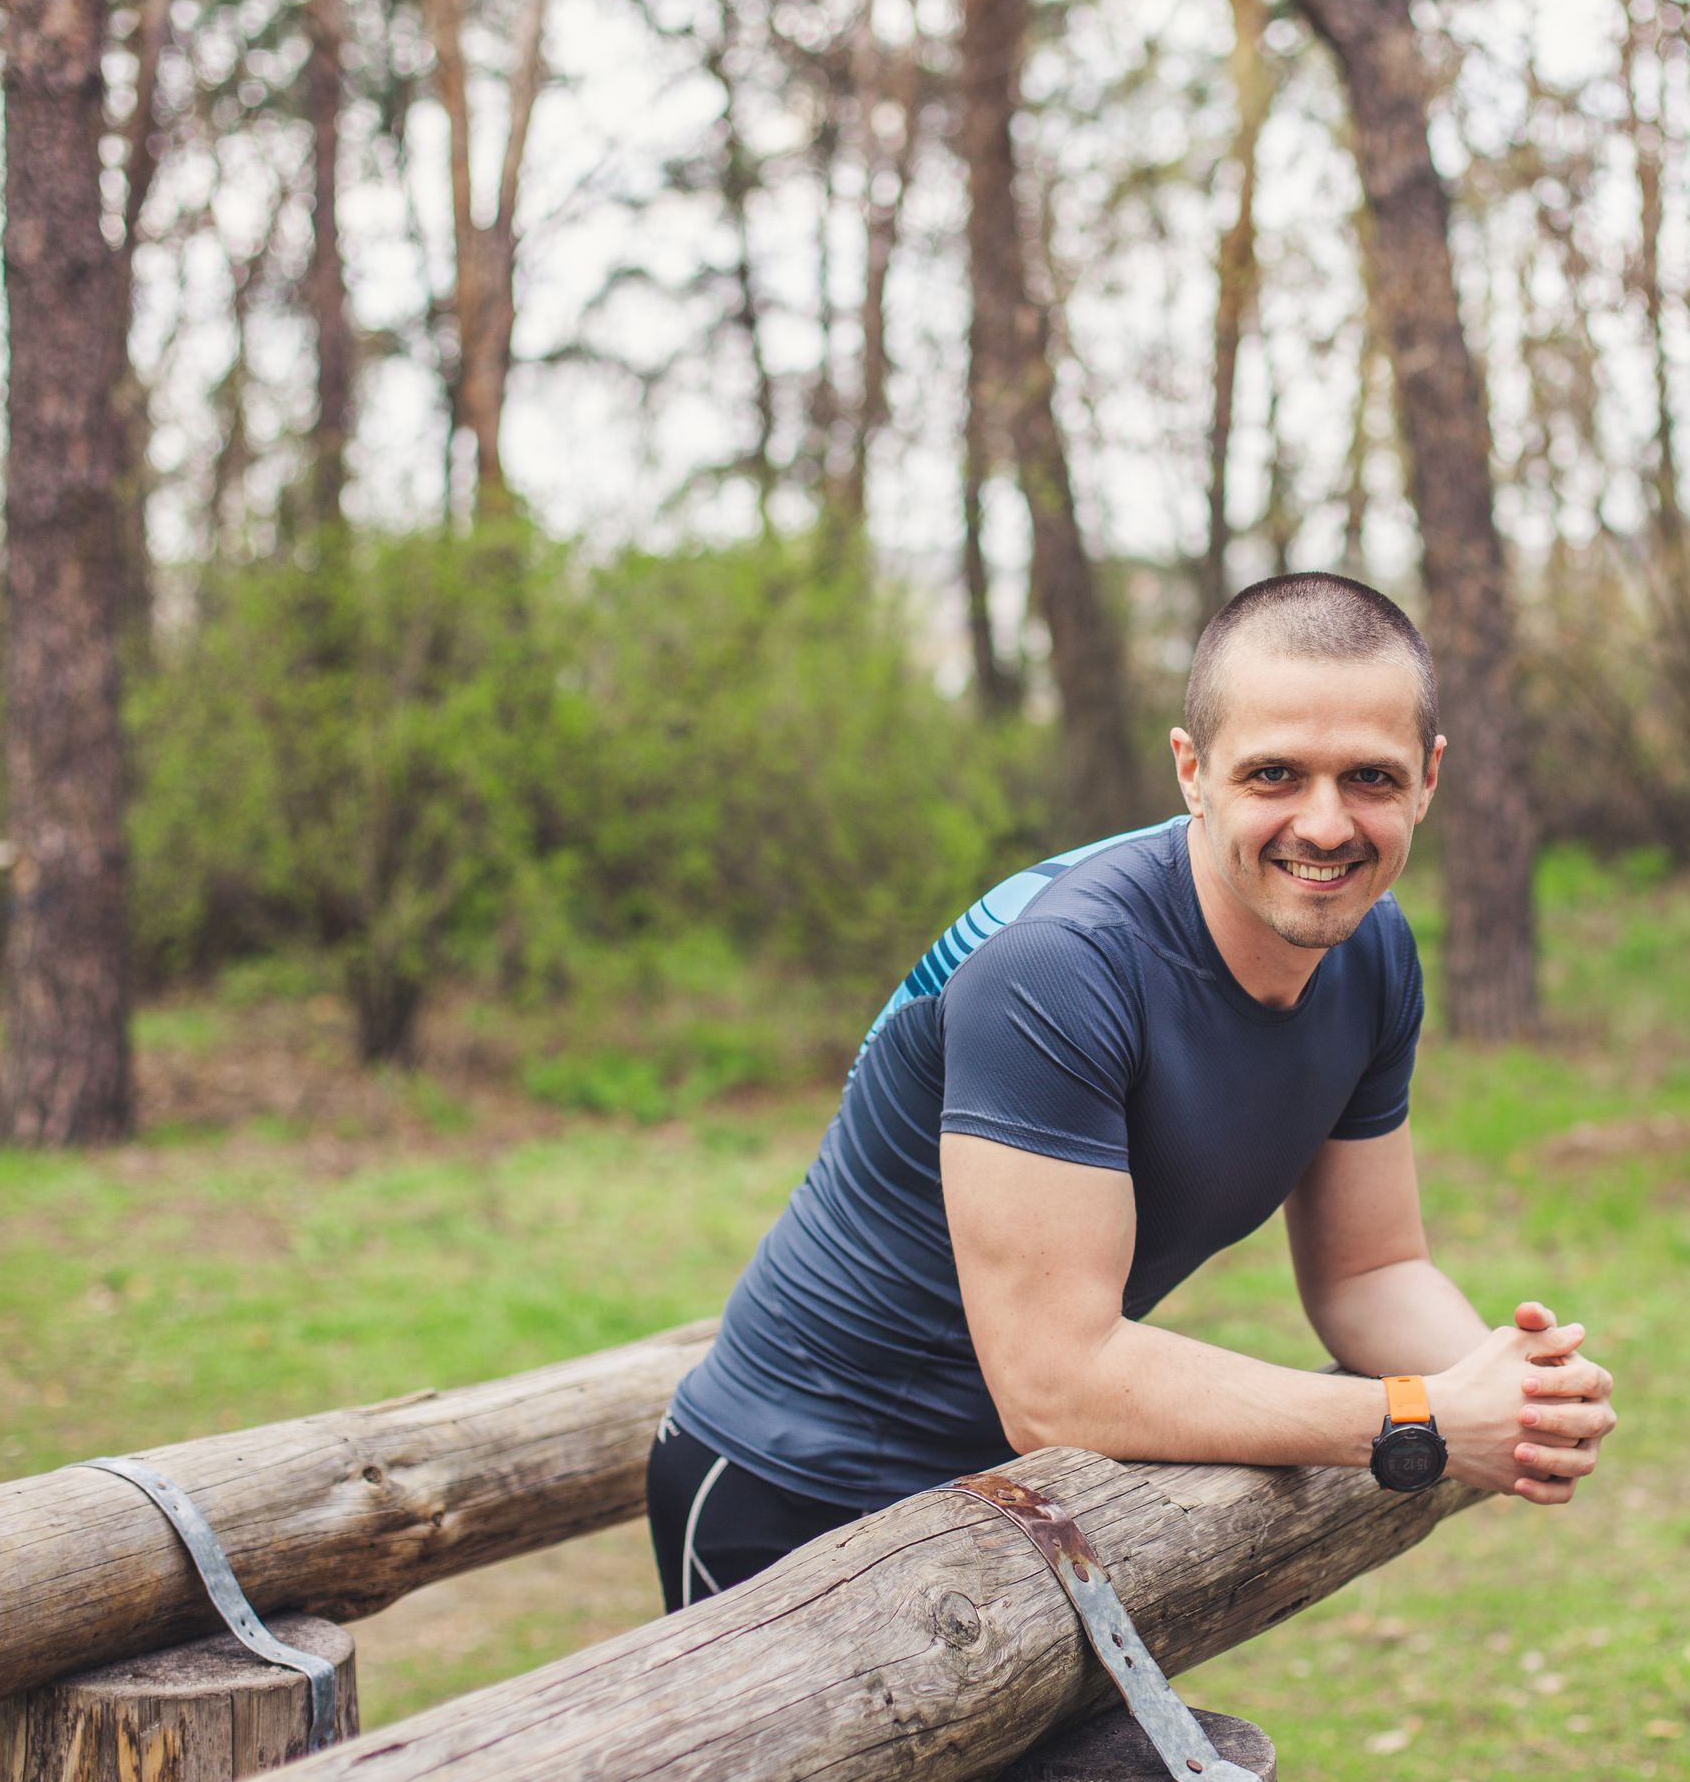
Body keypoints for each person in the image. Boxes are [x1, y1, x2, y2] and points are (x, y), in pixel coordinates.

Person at [646, 572, 1618, 1613]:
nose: (1327, 826)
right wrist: (1417, 1421)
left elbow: (1369, 1271)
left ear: (1428, 779)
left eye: (1369, 779)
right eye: (1276, 774)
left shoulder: (1373, 951)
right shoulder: (1058, 966)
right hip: (795, 1486)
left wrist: (1512, 1390)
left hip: (1020, 1500)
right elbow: (1055, 1378)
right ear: (1192, 770)